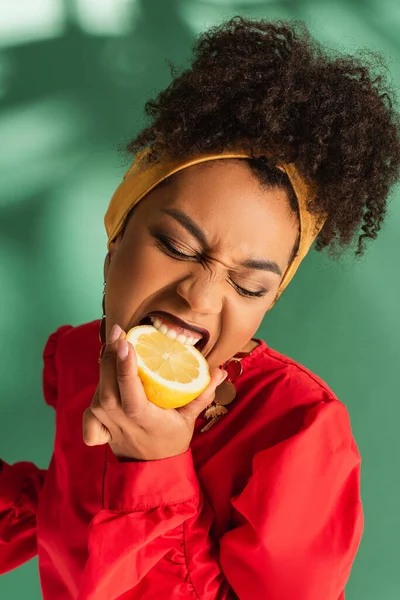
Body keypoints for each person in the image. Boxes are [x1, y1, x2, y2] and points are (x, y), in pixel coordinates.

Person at [1, 16, 400, 600]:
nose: (201, 296)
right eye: (178, 247)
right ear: (116, 238)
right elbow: (61, 508)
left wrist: (153, 468)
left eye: (249, 286)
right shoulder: (78, 358)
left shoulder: (297, 433)